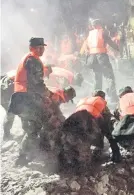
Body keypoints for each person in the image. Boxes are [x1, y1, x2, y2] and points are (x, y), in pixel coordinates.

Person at [7, 37, 70, 165]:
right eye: (39, 48)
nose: (42, 50)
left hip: (20, 100)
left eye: (43, 48)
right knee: (50, 123)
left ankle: (22, 158)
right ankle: (59, 157)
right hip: (27, 99)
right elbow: (37, 84)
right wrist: (49, 95)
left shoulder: (28, 59)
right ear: (32, 48)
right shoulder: (33, 61)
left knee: (33, 129)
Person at [57, 90, 121, 171]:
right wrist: (116, 151)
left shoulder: (84, 100)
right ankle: (83, 171)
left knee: (69, 144)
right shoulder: (102, 103)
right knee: (84, 147)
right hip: (87, 121)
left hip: (71, 121)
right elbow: (106, 124)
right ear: (103, 97)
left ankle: (64, 165)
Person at [84, 19, 119, 103]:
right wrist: (117, 48)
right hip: (101, 57)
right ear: (99, 24)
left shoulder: (90, 34)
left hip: (92, 58)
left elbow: (86, 47)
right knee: (109, 76)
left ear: (93, 26)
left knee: (97, 78)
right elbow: (109, 42)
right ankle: (113, 97)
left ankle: (97, 98)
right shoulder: (102, 32)